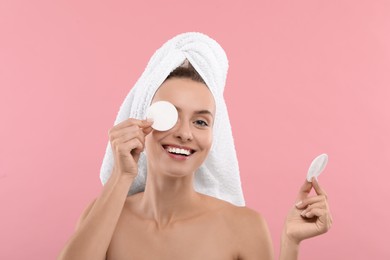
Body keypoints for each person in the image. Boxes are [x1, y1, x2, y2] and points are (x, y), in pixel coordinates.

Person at [58, 35, 332, 260]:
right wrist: (121, 176)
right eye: (171, 115)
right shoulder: (104, 216)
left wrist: (290, 243)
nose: (185, 133)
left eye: (201, 121)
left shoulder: (244, 227)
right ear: (142, 119)